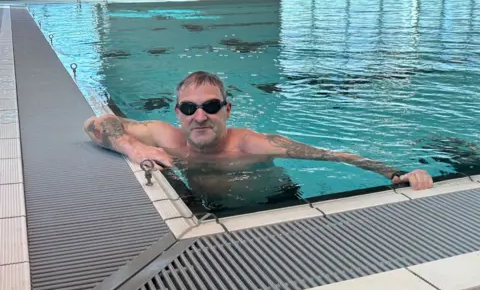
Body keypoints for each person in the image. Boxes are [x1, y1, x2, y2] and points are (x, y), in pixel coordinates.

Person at [84, 71, 433, 209]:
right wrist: (135, 147)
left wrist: (394, 173)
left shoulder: (251, 144)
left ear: (227, 110)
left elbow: (332, 155)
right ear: (178, 112)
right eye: (189, 107)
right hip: (209, 206)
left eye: (210, 106)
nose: (199, 116)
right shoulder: (165, 137)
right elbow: (96, 122)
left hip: (274, 201)